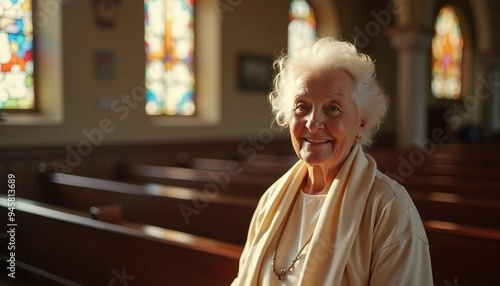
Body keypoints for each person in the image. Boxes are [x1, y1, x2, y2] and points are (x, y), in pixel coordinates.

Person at [232, 37, 433, 285]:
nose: (313, 123)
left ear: (361, 122)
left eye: (333, 108)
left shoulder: (389, 208)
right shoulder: (271, 199)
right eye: (302, 107)